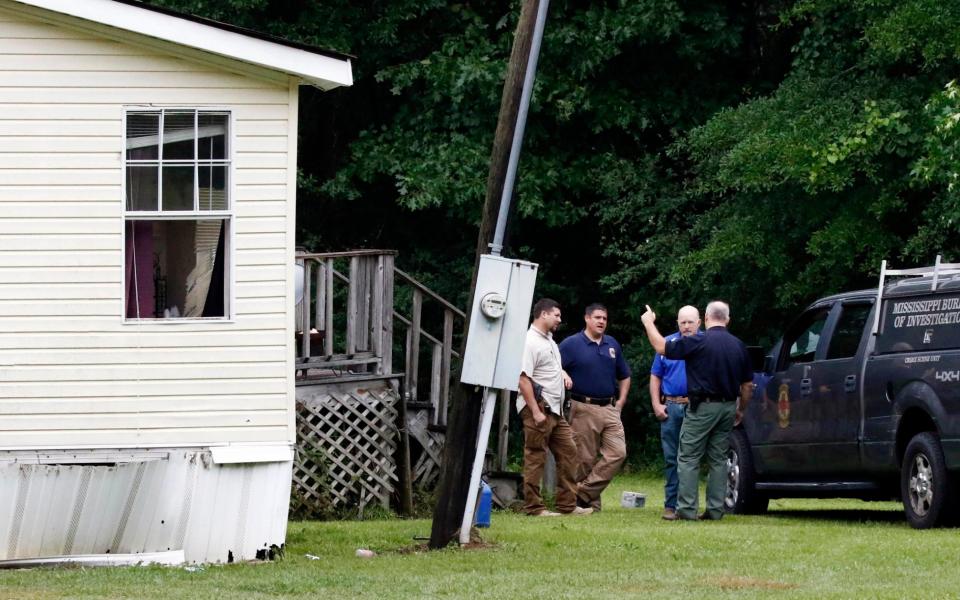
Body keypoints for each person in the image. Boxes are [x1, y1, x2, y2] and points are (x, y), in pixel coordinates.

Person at [640, 300, 753, 521]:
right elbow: (747, 385)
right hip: (728, 406)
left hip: (702, 406)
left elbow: (661, 347)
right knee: (718, 459)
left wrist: (648, 323)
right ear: (727, 320)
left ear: (706, 318)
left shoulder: (698, 340)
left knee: (688, 457)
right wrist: (741, 410)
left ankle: (686, 510)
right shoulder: (738, 345)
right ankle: (714, 510)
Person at [518, 298, 593, 517]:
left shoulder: (549, 340)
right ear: (543, 315)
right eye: (556, 315)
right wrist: (535, 411)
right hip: (539, 408)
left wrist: (563, 373)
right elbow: (523, 379)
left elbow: (549, 368)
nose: (560, 320)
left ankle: (567, 505)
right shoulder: (529, 341)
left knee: (570, 452)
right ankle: (534, 508)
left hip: (555, 410)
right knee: (535, 456)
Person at [559, 303, 631, 511]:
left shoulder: (612, 344)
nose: (601, 322)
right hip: (583, 406)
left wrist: (621, 402)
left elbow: (625, 376)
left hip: (610, 407)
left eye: (604, 319)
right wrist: (563, 373)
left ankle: (582, 494)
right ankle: (589, 504)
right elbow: (553, 365)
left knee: (618, 453)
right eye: (598, 317)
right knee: (584, 459)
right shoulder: (571, 344)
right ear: (587, 319)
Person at [649, 305, 701, 521]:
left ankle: (689, 506)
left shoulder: (705, 344)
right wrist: (656, 404)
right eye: (683, 322)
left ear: (700, 322)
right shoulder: (666, 344)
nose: (687, 326)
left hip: (697, 407)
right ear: (677, 323)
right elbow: (655, 376)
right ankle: (671, 505)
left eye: (691, 322)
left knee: (692, 459)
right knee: (672, 458)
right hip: (671, 406)